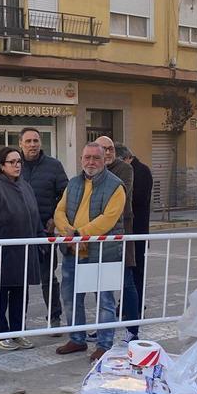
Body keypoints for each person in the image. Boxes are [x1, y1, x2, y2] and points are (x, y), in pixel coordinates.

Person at [54, 142, 126, 361]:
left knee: (105, 301)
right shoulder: (74, 183)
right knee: (71, 298)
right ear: (81, 159)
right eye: (87, 157)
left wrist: (79, 234)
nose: (91, 162)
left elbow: (108, 219)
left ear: (104, 160)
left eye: (96, 158)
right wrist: (71, 234)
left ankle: (104, 344)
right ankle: (77, 339)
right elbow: (60, 211)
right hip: (73, 252)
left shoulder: (116, 186)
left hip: (103, 253)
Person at [0, 146, 41, 350]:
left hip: (24, 250)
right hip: (3, 251)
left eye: (19, 162)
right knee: (0, 292)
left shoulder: (24, 185)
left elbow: (34, 214)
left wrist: (41, 239)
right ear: (1, 165)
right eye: (12, 162)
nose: (17, 166)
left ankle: (18, 331)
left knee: (20, 293)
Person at [18, 128, 68, 328]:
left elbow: (65, 195)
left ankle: (54, 318)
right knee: (20, 281)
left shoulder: (53, 166)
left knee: (48, 277)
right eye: (28, 141)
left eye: (36, 140)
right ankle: (19, 322)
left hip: (45, 233)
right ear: (20, 143)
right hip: (19, 234)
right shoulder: (13, 164)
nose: (32, 145)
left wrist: (55, 219)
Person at [95, 136, 140, 338]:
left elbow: (117, 196)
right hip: (97, 234)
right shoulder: (90, 169)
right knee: (100, 283)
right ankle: (104, 328)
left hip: (120, 232)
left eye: (110, 148)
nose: (107, 152)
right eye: (102, 149)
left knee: (126, 281)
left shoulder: (124, 169)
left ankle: (132, 330)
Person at [121, 144, 154, 315]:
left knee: (136, 270)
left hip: (137, 229)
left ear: (126, 158)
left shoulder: (141, 171)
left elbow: (140, 199)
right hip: (128, 231)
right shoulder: (130, 170)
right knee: (127, 271)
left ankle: (137, 305)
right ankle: (127, 304)